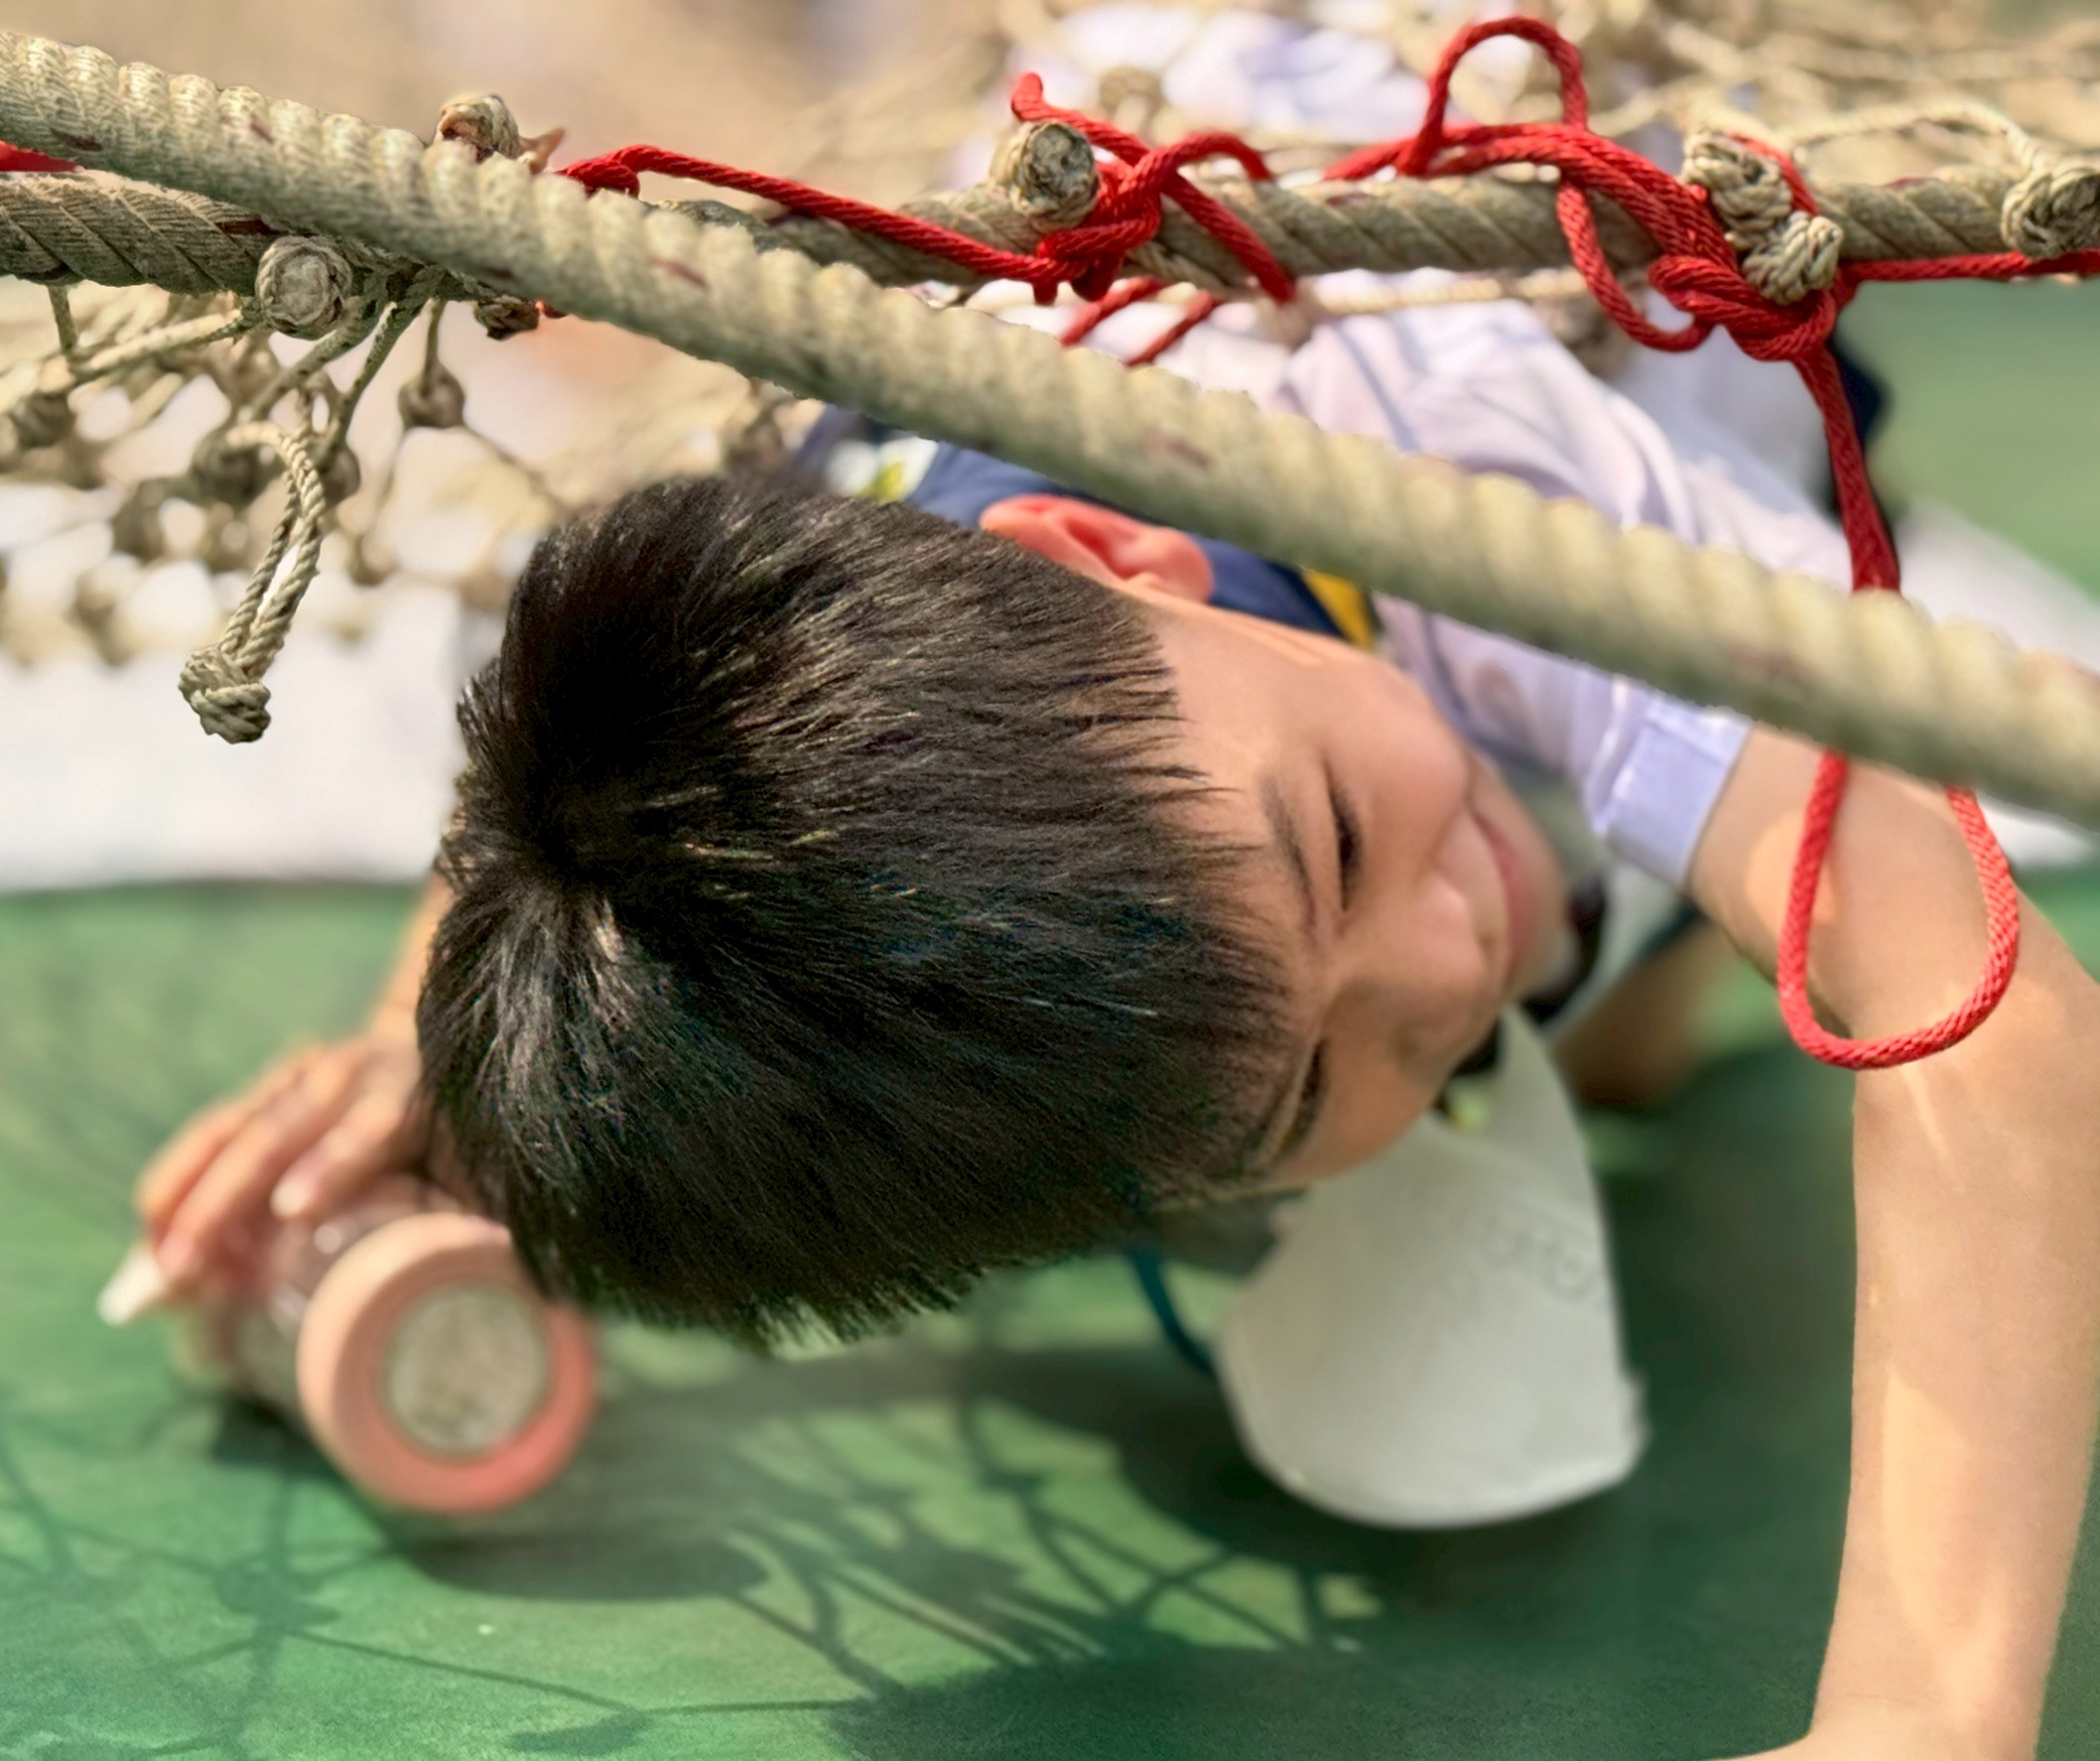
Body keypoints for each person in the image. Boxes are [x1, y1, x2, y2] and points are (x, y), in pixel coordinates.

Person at [124, 12, 2100, 1760]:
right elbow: (600, 774)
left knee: (1667, 989)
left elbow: (1975, 1008)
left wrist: (1923, 1716)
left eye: (1334, 844)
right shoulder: (854, 640)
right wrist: (431, 1052)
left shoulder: (1466, 452)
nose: (1446, 952)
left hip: (1525, 227)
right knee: (1564, 1018)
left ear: (1114, 553)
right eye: (1297, 1092)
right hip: (1250, 562)